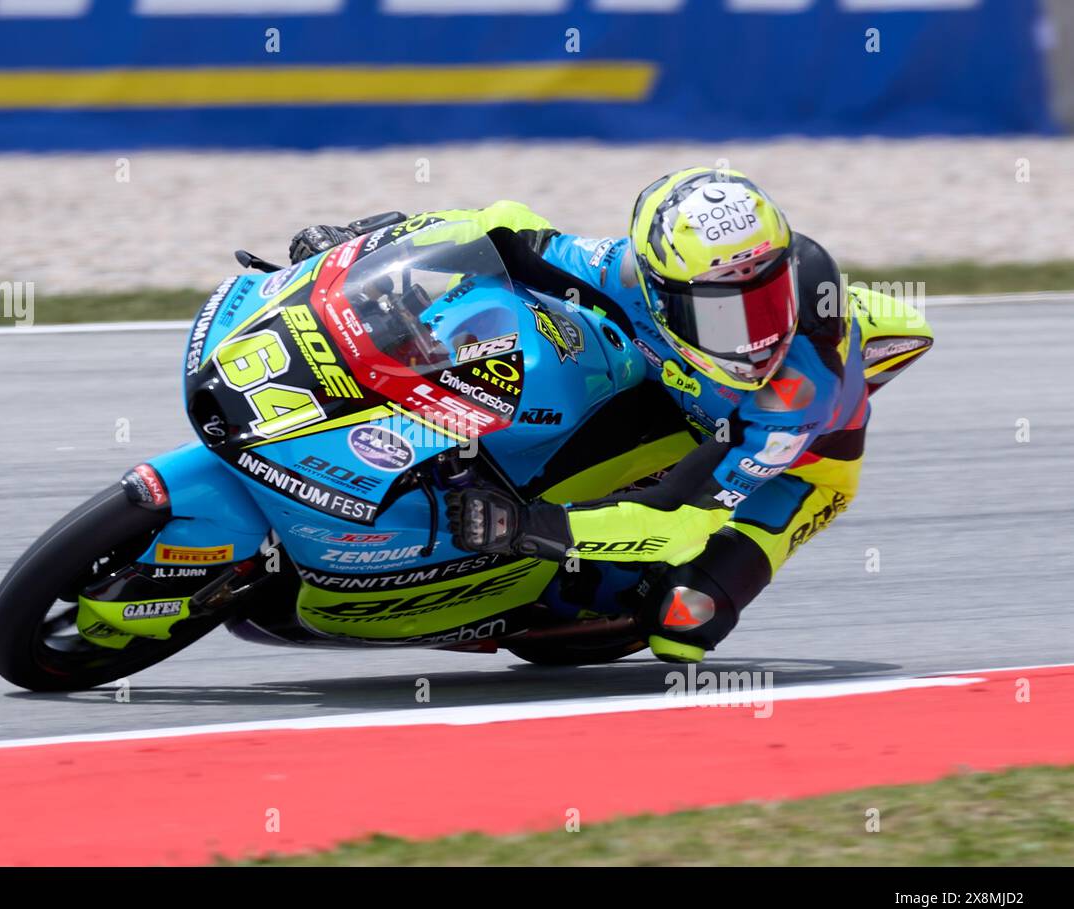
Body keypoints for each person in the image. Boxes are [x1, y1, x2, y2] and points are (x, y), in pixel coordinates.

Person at [287, 167, 932, 662]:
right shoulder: (624, 273)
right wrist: (364, 245)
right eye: (723, 313)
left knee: (685, 624)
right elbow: (509, 234)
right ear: (658, 287)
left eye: (766, 303)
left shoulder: (796, 392)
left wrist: (526, 526)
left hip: (788, 464)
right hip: (676, 396)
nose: (756, 338)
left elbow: (681, 516)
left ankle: (564, 590)